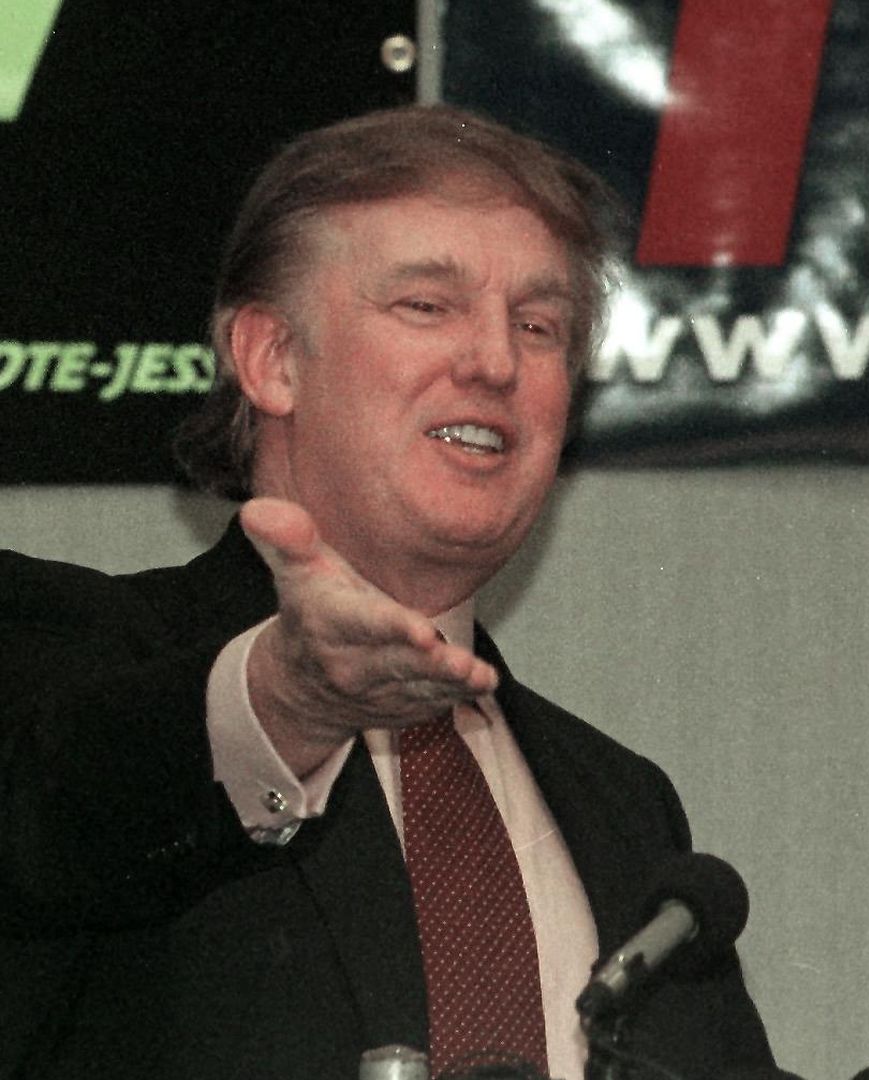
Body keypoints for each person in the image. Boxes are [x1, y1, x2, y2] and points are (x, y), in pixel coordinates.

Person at [0, 105, 772, 1080]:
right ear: (273, 358)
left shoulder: (626, 807)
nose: (496, 361)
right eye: (427, 306)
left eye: (539, 326)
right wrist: (282, 701)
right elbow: (65, 811)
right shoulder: (69, 659)